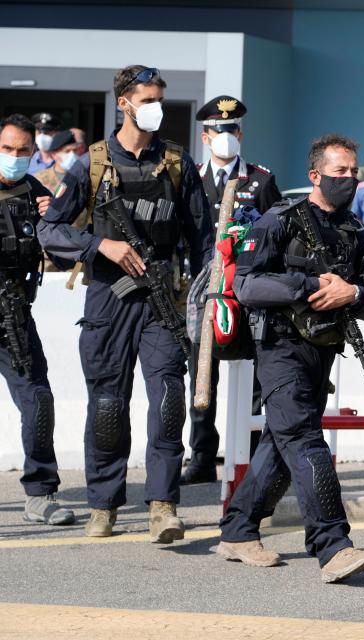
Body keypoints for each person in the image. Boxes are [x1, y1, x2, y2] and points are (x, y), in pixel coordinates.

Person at [37, 65, 213, 542]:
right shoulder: (90, 163)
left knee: (169, 402)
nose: (155, 106)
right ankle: (103, 506)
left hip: (162, 300)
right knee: (109, 405)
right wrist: (101, 247)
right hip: (108, 298)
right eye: (147, 98)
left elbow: (203, 240)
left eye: (160, 98)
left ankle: (163, 505)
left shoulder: (177, 163)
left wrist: (203, 299)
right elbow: (49, 229)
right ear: (125, 103)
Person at [216, 133, 364, 583]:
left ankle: (237, 531)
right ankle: (332, 545)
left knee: (281, 440)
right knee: (306, 441)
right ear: (316, 176)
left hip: (323, 349)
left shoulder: (358, 234)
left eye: (353, 172)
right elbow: (247, 286)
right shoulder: (279, 221)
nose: (348, 180)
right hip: (280, 348)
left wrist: (355, 292)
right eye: (339, 172)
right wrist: (309, 287)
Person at [180, 95, 282, 485]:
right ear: (205, 137)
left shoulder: (261, 180)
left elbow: (274, 233)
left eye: (232, 130)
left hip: (247, 291)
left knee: (258, 377)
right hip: (205, 292)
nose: (227, 137)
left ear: (240, 133)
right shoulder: (191, 178)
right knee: (201, 376)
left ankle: (255, 458)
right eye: (219, 131)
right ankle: (202, 456)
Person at [0, 114, 74, 526]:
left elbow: (63, 257)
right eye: (6, 148)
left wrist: (51, 221)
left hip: (12, 316)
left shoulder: (37, 193)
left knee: (38, 400)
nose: (13, 157)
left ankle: (40, 493)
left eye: (21, 150)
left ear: (33, 152)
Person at [33, 130, 81, 194]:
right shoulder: (39, 180)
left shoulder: (85, 176)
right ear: (54, 155)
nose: (72, 154)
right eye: (67, 151)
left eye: (75, 150)